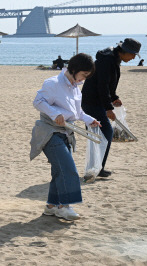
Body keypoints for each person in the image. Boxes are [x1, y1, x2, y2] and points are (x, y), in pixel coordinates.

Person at [31, 53, 100, 221]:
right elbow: (38, 101)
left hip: (66, 132)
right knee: (69, 169)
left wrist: (90, 120)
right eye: (83, 75)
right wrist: (55, 114)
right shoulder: (53, 83)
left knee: (58, 171)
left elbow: (78, 113)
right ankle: (65, 206)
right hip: (49, 132)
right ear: (74, 69)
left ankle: (51, 206)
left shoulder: (75, 87)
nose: (84, 79)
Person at [81, 38, 141, 178]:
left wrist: (114, 97)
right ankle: (95, 168)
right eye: (133, 55)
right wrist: (108, 108)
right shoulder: (107, 61)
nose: (133, 58)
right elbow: (102, 85)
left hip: (96, 102)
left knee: (100, 135)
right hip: (92, 103)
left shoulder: (113, 59)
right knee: (103, 134)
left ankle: (97, 168)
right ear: (125, 52)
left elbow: (108, 85)